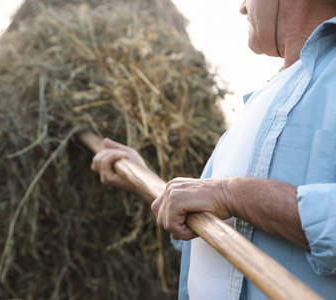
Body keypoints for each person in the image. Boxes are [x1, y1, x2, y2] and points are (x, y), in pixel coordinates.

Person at [90, 0, 336, 299]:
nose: (242, 7)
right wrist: (149, 183)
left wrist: (233, 194)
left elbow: (229, 198)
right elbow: (211, 231)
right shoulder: (266, 96)